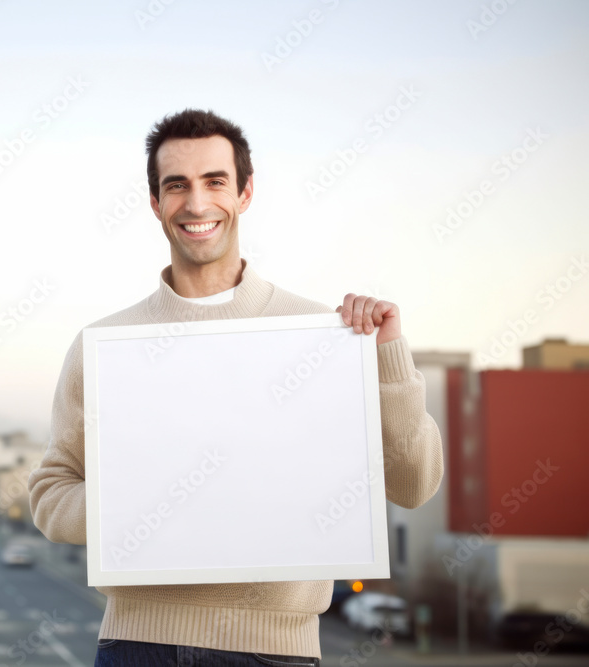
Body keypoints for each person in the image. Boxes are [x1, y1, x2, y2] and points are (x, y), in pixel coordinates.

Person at [27, 108, 444, 666]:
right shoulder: (108, 344)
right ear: (155, 203)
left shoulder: (324, 334)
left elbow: (414, 485)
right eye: (177, 185)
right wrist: (138, 497)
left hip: (276, 653)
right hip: (137, 647)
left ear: (245, 193)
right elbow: (50, 494)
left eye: (215, 182)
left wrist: (388, 354)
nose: (196, 204)